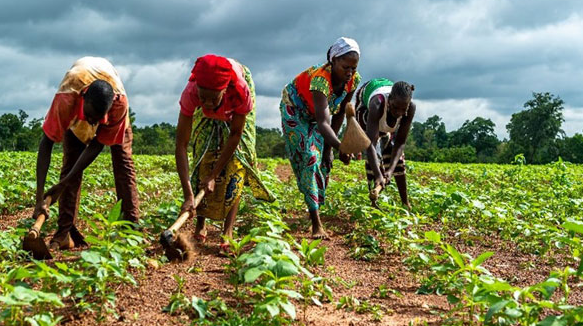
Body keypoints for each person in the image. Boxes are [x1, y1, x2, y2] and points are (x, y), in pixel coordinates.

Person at [33, 57, 139, 250]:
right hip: (76, 104)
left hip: (108, 104)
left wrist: (62, 185)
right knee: (70, 163)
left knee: (123, 163)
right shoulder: (67, 98)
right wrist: (40, 197)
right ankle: (64, 234)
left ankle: (131, 231)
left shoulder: (118, 104)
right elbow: (46, 142)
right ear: (83, 98)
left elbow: (97, 145)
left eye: (97, 119)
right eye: (90, 117)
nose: (92, 123)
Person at [176, 54, 273, 254]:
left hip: (235, 103)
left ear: (224, 90)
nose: (208, 104)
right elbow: (182, 144)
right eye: (204, 98)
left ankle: (227, 231)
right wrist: (188, 194)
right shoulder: (191, 92)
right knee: (202, 154)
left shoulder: (239, 92)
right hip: (215, 95)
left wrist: (215, 176)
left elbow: (236, 134)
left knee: (238, 162)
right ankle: (200, 224)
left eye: (213, 99)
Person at [280, 37, 361, 239]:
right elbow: (324, 123)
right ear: (333, 62)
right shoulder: (320, 81)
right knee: (309, 158)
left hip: (316, 116)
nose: (349, 72)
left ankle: (315, 206)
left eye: (354, 67)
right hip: (295, 108)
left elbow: (340, 112)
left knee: (324, 161)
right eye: (345, 67)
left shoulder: (353, 80)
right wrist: (342, 146)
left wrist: (330, 149)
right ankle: (316, 224)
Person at [355, 79, 416, 209]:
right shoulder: (377, 104)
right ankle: (374, 203)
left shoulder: (410, 108)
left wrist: (390, 171)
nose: (399, 113)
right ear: (390, 99)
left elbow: (400, 143)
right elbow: (370, 144)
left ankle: (406, 203)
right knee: (375, 157)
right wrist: (378, 175)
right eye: (395, 107)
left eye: (402, 109)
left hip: (385, 116)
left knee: (396, 157)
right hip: (365, 103)